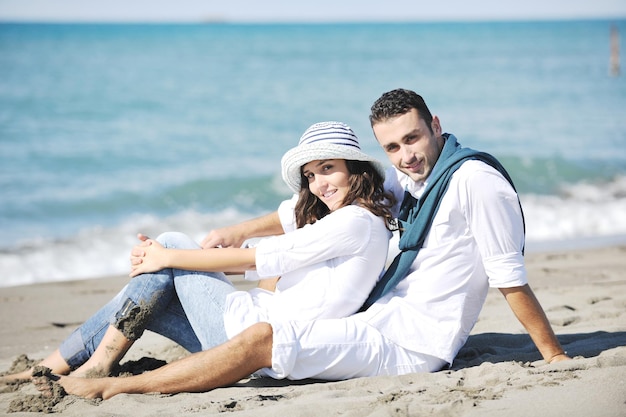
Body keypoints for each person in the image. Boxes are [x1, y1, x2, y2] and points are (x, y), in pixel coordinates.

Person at [33, 88, 570, 400]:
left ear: (435, 124)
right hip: (375, 319)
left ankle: (107, 385)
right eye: (392, 146)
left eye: (412, 139)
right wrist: (237, 230)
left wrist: (553, 356)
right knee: (166, 288)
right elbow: (310, 204)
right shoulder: (407, 180)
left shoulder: (474, 180)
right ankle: (56, 368)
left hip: (412, 345)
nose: (404, 155)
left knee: (262, 332)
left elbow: (508, 275)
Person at [3, 121, 394, 382]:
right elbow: (287, 218)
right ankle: (46, 370)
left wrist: (167, 257)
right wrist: (225, 236)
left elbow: (252, 260)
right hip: (252, 343)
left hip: (256, 343)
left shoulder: (353, 222)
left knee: (172, 241)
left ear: (355, 169)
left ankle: (94, 365)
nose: (318, 184)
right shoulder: (348, 218)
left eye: (328, 169)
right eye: (310, 175)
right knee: (142, 295)